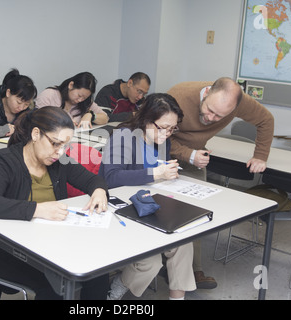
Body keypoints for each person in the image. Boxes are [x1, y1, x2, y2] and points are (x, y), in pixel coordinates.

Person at [0, 106, 110, 299]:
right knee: (55, 286)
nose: (59, 152)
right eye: (55, 143)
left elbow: (92, 180)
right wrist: (37, 209)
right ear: (36, 134)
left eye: (65, 145)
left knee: (98, 271)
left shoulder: (59, 161)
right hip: (6, 248)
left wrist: (98, 191)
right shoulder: (6, 161)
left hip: (48, 243)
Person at [168, 77, 275, 289]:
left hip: (195, 158)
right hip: (165, 154)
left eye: (220, 116)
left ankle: (192, 270)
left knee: (195, 215)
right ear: (206, 92)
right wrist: (188, 154)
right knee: (165, 210)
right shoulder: (178, 95)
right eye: (209, 110)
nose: (210, 118)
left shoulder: (239, 102)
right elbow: (154, 132)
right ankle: (165, 263)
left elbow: (266, 120)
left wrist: (260, 155)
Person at [99, 93, 196, 300]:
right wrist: (156, 174)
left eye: (173, 128)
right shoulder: (123, 136)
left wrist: (166, 172)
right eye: (163, 127)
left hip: (149, 204)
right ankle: (118, 285)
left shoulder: (162, 140)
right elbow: (111, 178)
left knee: (184, 242)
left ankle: (177, 298)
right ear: (146, 119)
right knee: (150, 261)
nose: (168, 133)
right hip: (120, 208)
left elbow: (156, 172)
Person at [35, 72, 108, 129]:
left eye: (84, 98)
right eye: (79, 95)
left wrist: (91, 115)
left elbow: (105, 118)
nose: (80, 100)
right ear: (71, 85)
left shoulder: (85, 102)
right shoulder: (49, 95)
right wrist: (63, 123)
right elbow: (38, 120)